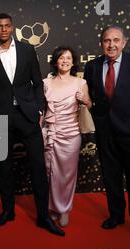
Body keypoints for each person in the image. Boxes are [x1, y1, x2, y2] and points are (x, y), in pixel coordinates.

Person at [0, 13, 65, 236]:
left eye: (7, 26)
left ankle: (43, 217)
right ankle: (7, 211)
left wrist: (40, 108)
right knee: (3, 168)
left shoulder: (27, 50)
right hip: (2, 117)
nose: (3, 29)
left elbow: (36, 82)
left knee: (38, 168)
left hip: (28, 115)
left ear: (12, 28)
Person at [84, 25, 130, 245]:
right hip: (106, 133)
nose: (111, 44)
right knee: (111, 178)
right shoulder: (93, 66)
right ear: (101, 43)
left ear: (124, 43)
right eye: (107, 40)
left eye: (116, 40)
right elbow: (93, 98)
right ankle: (116, 216)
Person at [42, 46, 91, 227]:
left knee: (67, 174)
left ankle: (64, 209)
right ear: (55, 61)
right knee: (50, 173)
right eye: (61, 58)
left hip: (71, 134)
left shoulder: (81, 83)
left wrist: (84, 100)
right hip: (51, 133)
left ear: (73, 62)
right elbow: (42, 111)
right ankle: (52, 208)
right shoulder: (46, 83)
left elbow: (89, 104)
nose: (65, 61)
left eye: (68, 58)